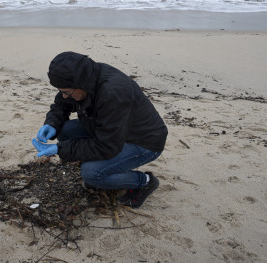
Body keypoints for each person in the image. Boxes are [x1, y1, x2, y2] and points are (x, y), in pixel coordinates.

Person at [32, 51, 168, 209]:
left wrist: (61, 149)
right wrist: (52, 124)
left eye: (66, 92)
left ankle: (144, 182)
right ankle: (106, 167)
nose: (63, 96)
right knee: (65, 131)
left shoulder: (112, 92)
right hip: (109, 130)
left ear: (80, 84)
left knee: (91, 173)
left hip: (143, 141)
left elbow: (107, 146)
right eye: (61, 91)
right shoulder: (81, 77)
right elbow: (61, 105)